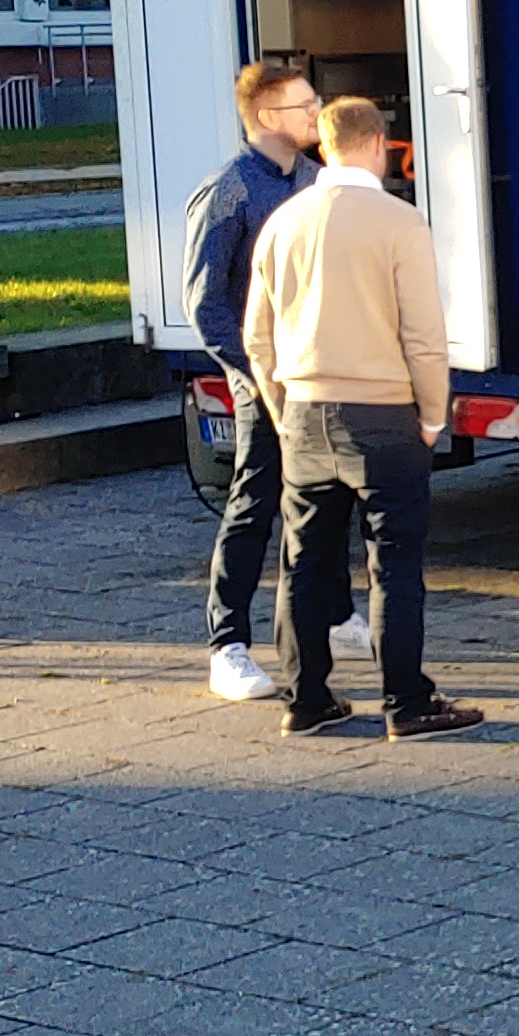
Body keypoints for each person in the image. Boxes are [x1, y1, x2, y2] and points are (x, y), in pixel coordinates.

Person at [241, 97, 482, 739]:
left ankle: (307, 699)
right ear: (378, 142)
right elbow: (424, 336)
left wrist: (281, 404)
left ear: (323, 145)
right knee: (394, 563)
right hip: (382, 414)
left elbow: (257, 337)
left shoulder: (282, 222)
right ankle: (406, 702)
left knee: (303, 562)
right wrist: (433, 416)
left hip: (304, 412)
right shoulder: (399, 222)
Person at [185, 59, 325, 702]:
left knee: (327, 497)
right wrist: (256, 374)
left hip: (319, 370)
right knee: (256, 500)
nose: (316, 112)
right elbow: (207, 304)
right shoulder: (230, 191)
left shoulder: (318, 180)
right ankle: (228, 644)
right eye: (304, 104)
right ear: (268, 117)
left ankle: (335, 615)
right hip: (264, 377)